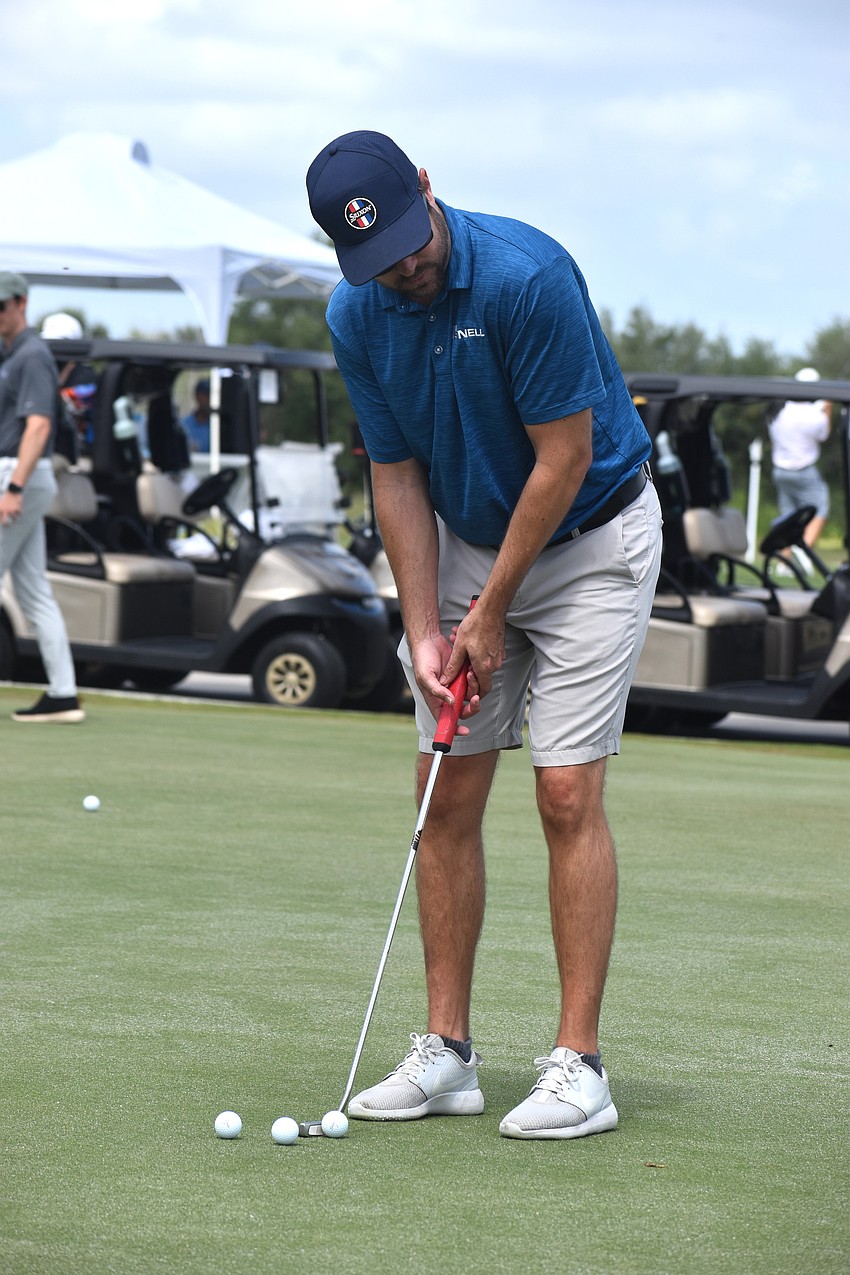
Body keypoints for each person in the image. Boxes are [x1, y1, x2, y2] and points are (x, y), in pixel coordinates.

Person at [306, 132, 662, 1140]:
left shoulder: (527, 277)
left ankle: (577, 1067)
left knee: (563, 789)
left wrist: (489, 612)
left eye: (411, 247)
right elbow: (397, 474)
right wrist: (425, 626)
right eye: (378, 263)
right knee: (444, 787)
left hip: (591, 534)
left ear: (425, 189)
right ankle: (446, 1053)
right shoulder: (356, 311)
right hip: (467, 534)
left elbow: (564, 459)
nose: (404, 270)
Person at [0, 272, 85, 723]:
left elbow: (39, 426)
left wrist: (13, 489)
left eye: (2, 306)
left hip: (18, 475)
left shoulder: (31, 355)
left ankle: (63, 692)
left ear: (21, 303)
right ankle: (63, 694)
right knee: (33, 590)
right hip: (20, 476)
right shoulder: (11, 354)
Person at [768, 367, 831, 556]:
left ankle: (783, 559)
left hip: (780, 472)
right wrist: (827, 410)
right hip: (803, 472)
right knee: (821, 506)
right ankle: (803, 550)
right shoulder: (815, 416)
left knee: (788, 517)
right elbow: (824, 435)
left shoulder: (779, 411)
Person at [181, 378, 211, 452]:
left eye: (210, 395)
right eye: (205, 395)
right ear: (196, 396)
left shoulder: (218, 427)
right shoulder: (184, 425)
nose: (208, 399)